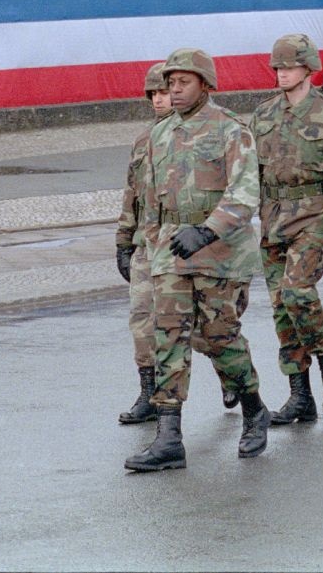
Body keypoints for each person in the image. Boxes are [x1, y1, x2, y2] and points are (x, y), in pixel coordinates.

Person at [124, 48, 272, 473]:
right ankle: (169, 435)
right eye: (170, 82)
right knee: (167, 335)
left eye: (183, 82)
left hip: (220, 255)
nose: (173, 89)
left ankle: (253, 408)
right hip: (171, 252)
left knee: (220, 337)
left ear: (206, 84)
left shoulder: (231, 130)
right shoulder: (159, 135)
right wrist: (149, 245)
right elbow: (148, 199)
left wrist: (207, 230)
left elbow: (244, 193)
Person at [247, 35, 323, 426]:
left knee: (297, 293)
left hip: (313, 217)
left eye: (289, 67)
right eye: (277, 68)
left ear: (309, 69)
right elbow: (250, 175)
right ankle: (300, 394)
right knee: (281, 308)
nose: (282, 74)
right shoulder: (262, 116)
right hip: (272, 217)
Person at [115, 64, 178, 425]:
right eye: (153, 94)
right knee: (142, 318)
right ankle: (149, 392)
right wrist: (124, 241)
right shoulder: (143, 140)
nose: (158, 99)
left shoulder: (195, 135)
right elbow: (132, 195)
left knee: (203, 325)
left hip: (183, 242)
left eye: (164, 92)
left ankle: (230, 377)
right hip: (147, 243)